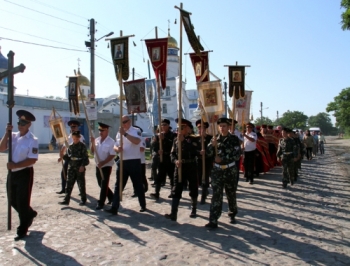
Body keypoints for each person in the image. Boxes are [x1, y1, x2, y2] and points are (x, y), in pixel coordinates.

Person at [0, 110, 38, 241]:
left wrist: (15, 166)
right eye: (19, 122)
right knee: (12, 200)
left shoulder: (33, 140)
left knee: (22, 202)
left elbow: (32, 160)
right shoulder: (13, 136)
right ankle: (30, 213)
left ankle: (22, 229)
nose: (20, 125)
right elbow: (1, 148)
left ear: (29, 125)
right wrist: (6, 133)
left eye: (23, 123)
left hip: (24, 173)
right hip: (12, 173)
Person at [205, 118, 241, 229]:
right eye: (220, 126)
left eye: (224, 126)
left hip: (230, 170)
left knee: (231, 194)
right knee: (216, 195)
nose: (222, 128)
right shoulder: (215, 139)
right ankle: (213, 219)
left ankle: (232, 213)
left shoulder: (234, 139)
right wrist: (212, 145)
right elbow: (208, 154)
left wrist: (223, 159)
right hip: (217, 171)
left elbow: (237, 155)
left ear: (229, 127)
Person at [106, 115, 146, 215]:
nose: (123, 124)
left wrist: (125, 134)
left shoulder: (136, 130)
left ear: (130, 121)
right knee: (118, 185)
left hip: (134, 161)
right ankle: (114, 207)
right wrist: (117, 149)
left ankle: (143, 205)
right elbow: (115, 145)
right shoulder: (119, 132)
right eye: (122, 122)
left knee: (138, 185)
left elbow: (137, 141)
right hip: (123, 161)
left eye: (125, 122)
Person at [164, 118, 199, 221]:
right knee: (176, 188)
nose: (180, 129)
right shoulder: (176, 140)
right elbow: (172, 154)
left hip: (191, 166)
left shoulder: (194, 139)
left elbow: (196, 151)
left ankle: (194, 208)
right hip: (179, 167)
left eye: (182, 127)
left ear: (188, 128)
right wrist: (175, 161)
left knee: (193, 188)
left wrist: (184, 142)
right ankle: (173, 213)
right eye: (179, 127)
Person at [58, 131, 89, 205]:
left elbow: (86, 158)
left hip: (79, 167)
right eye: (74, 139)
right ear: (72, 138)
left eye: (77, 139)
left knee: (81, 183)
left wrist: (82, 165)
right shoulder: (70, 146)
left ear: (79, 138)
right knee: (69, 183)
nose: (75, 140)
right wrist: (62, 157)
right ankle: (66, 200)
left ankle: (83, 199)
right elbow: (68, 157)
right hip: (71, 167)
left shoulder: (82, 146)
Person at [90, 122, 116, 210]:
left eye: (103, 130)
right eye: (100, 130)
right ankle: (112, 196)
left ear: (107, 131)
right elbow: (92, 151)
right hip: (98, 165)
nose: (100, 132)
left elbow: (112, 155)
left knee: (104, 184)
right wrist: (92, 143)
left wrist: (103, 162)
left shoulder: (111, 142)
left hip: (106, 166)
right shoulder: (96, 140)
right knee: (100, 183)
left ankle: (101, 202)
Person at [56, 120, 85, 194]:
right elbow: (64, 148)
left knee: (79, 177)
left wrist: (83, 162)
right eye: (71, 127)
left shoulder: (81, 137)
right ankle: (63, 189)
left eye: (74, 127)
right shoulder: (68, 137)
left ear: (77, 127)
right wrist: (61, 156)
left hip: (78, 160)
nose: (73, 128)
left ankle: (81, 191)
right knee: (64, 173)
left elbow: (83, 150)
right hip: (69, 159)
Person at [150, 119, 176, 200]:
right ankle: (156, 192)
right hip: (161, 159)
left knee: (172, 176)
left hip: (170, 158)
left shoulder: (173, 135)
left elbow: (173, 144)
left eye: (165, 125)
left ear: (168, 125)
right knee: (159, 176)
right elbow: (153, 146)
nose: (163, 126)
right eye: (162, 125)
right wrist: (157, 151)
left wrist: (164, 139)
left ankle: (173, 192)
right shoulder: (158, 136)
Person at [195, 119, 213, 205]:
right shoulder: (195, 138)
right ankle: (204, 191)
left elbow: (213, 150)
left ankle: (203, 196)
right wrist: (199, 152)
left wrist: (207, 152)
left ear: (205, 128)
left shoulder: (210, 138)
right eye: (198, 128)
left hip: (207, 160)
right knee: (198, 177)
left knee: (205, 178)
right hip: (198, 160)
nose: (200, 130)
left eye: (201, 128)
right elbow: (193, 149)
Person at [133, 125, 148, 196]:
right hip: (133, 160)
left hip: (141, 161)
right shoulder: (132, 139)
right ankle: (136, 191)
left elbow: (142, 149)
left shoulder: (141, 139)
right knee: (134, 177)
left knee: (142, 176)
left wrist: (133, 148)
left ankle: (145, 188)